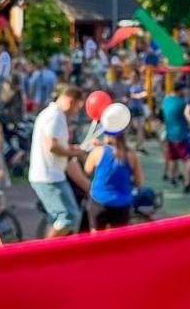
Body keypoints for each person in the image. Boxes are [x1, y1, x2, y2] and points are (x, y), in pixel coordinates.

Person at [29, 84, 85, 238]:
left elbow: (56, 145)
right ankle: (45, 253)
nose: (76, 112)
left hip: (50, 174)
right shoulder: (55, 116)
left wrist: (73, 149)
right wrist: (73, 152)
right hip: (49, 176)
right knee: (68, 217)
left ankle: (53, 251)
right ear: (70, 101)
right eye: (77, 107)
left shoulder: (52, 114)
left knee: (60, 218)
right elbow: (52, 146)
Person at [83, 102, 141, 230]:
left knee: (95, 239)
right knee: (118, 242)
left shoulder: (97, 152)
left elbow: (86, 171)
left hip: (99, 201)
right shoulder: (131, 155)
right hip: (122, 203)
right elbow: (139, 181)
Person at [160, 81, 190, 186]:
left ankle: (172, 176)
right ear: (181, 90)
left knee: (173, 158)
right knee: (186, 159)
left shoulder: (166, 101)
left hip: (170, 134)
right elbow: (188, 116)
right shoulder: (182, 103)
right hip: (181, 134)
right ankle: (187, 180)